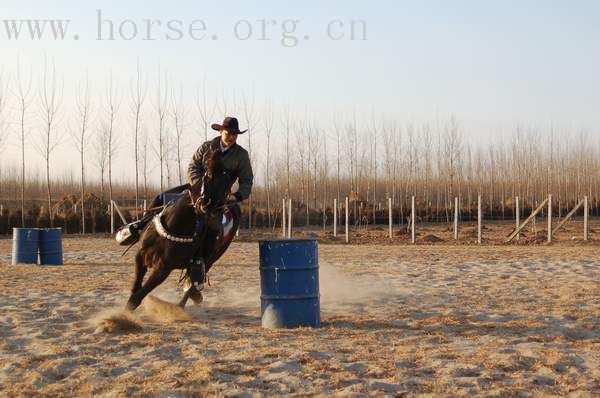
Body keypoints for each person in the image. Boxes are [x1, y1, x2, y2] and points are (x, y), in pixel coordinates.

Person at [116, 116, 253, 298]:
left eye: (235, 134)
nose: (231, 137)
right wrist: (198, 186)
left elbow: (247, 181)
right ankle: (138, 226)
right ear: (221, 131)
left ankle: (198, 264)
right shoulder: (207, 147)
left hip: (219, 198)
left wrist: (235, 196)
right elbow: (193, 166)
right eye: (229, 133)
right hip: (197, 190)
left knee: (213, 228)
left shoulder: (241, 156)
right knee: (161, 198)